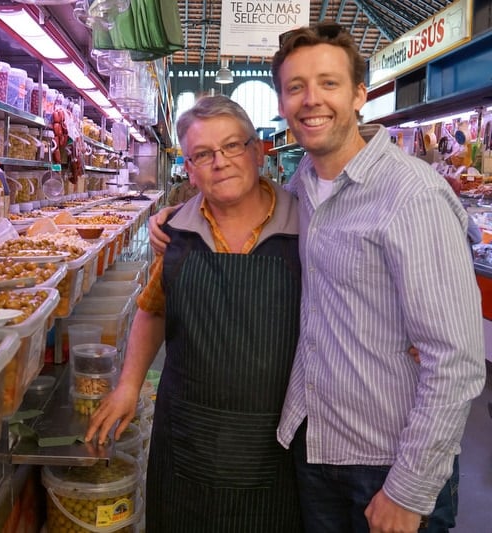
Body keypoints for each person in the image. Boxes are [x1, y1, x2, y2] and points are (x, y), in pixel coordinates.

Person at [148, 21, 486, 533]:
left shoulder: (410, 194)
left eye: (328, 83)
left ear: (359, 94)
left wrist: (409, 489)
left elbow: (457, 361)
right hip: (313, 448)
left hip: (387, 462)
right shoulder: (303, 186)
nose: (311, 100)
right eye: (295, 87)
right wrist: (175, 216)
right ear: (281, 105)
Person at [84, 95, 304, 532]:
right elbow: (152, 311)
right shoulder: (176, 232)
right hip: (187, 439)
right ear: (189, 167)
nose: (219, 162)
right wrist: (128, 387)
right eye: (203, 154)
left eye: (232, 146)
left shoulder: (307, 226)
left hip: (276, 443)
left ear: (257, 151)